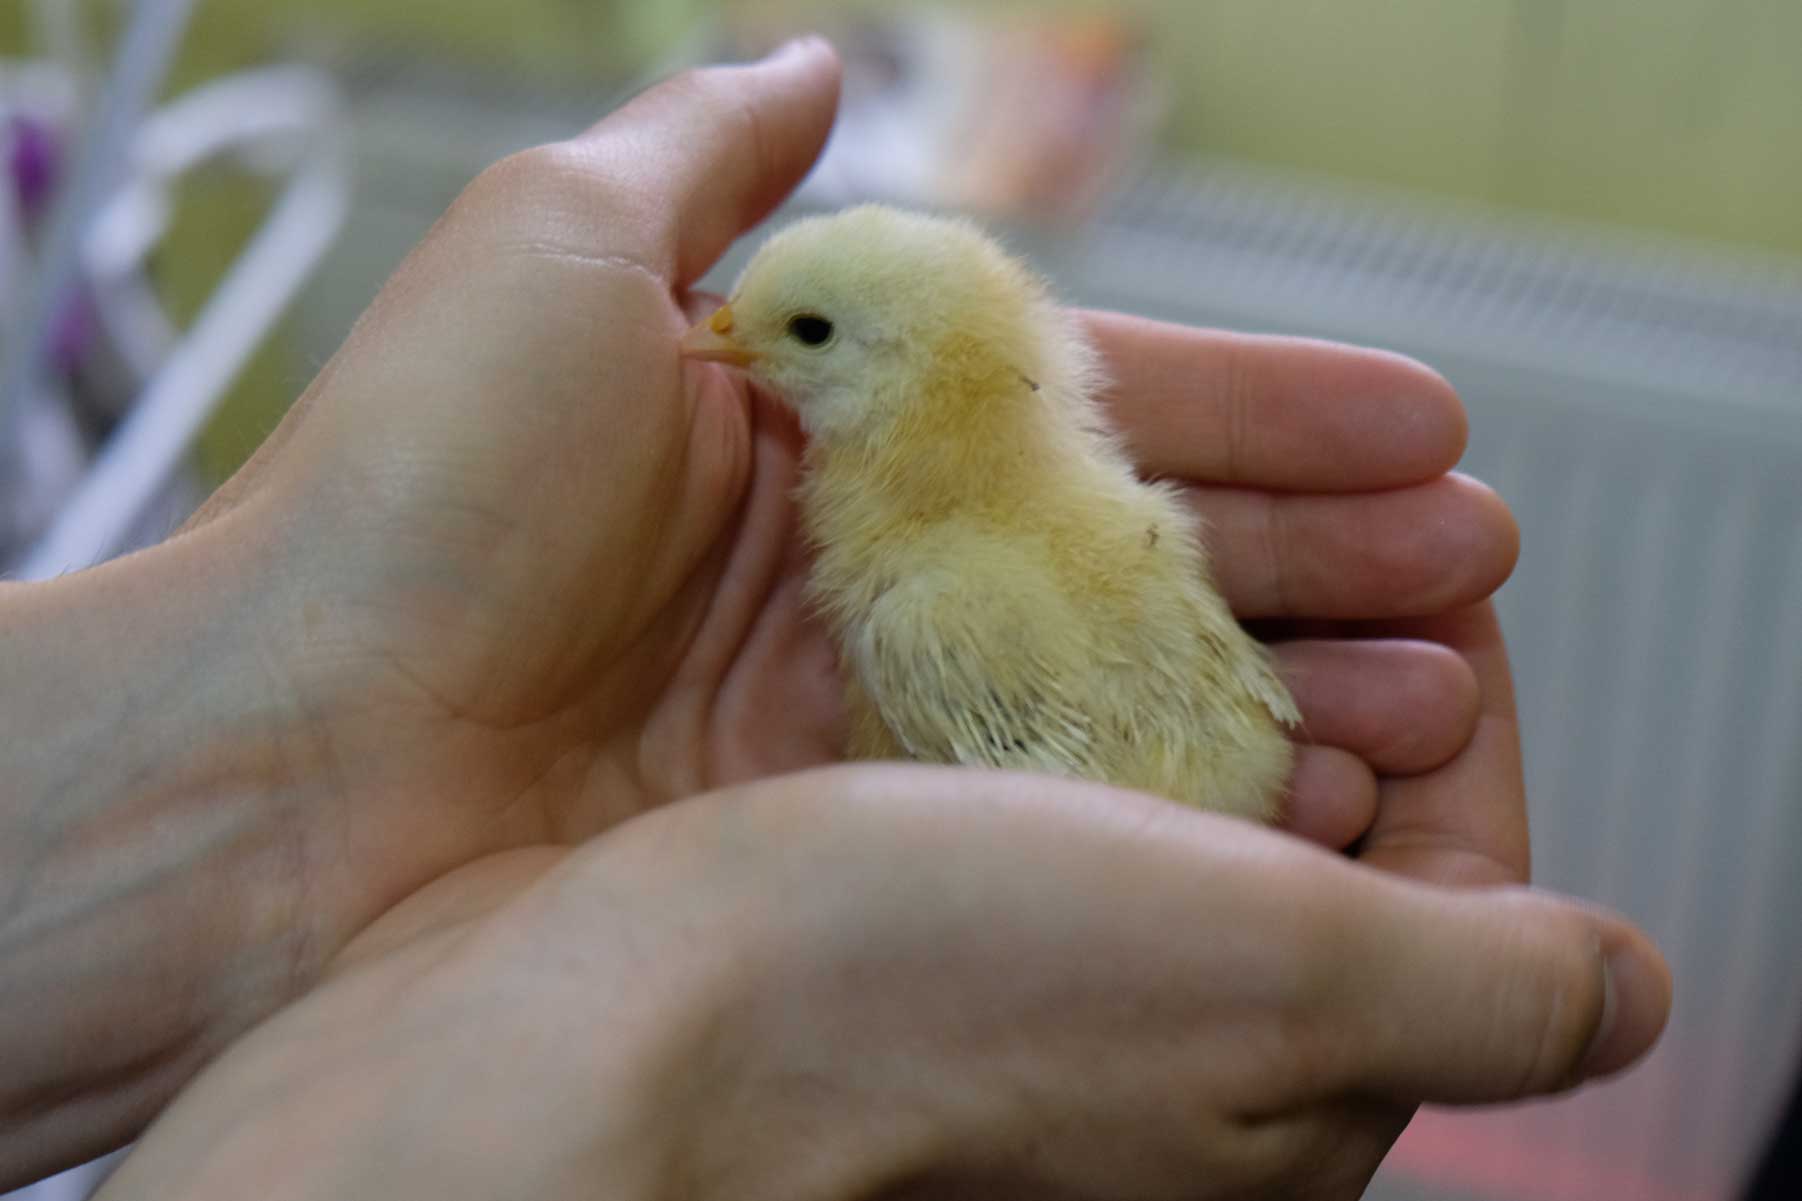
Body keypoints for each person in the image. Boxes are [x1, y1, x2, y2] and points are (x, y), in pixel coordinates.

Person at [0, 38, 1669, 1200]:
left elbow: (1110, 790)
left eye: (789, 333)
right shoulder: (1032, 510)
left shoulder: (947, 595)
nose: (728, 340)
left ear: (894, 378)